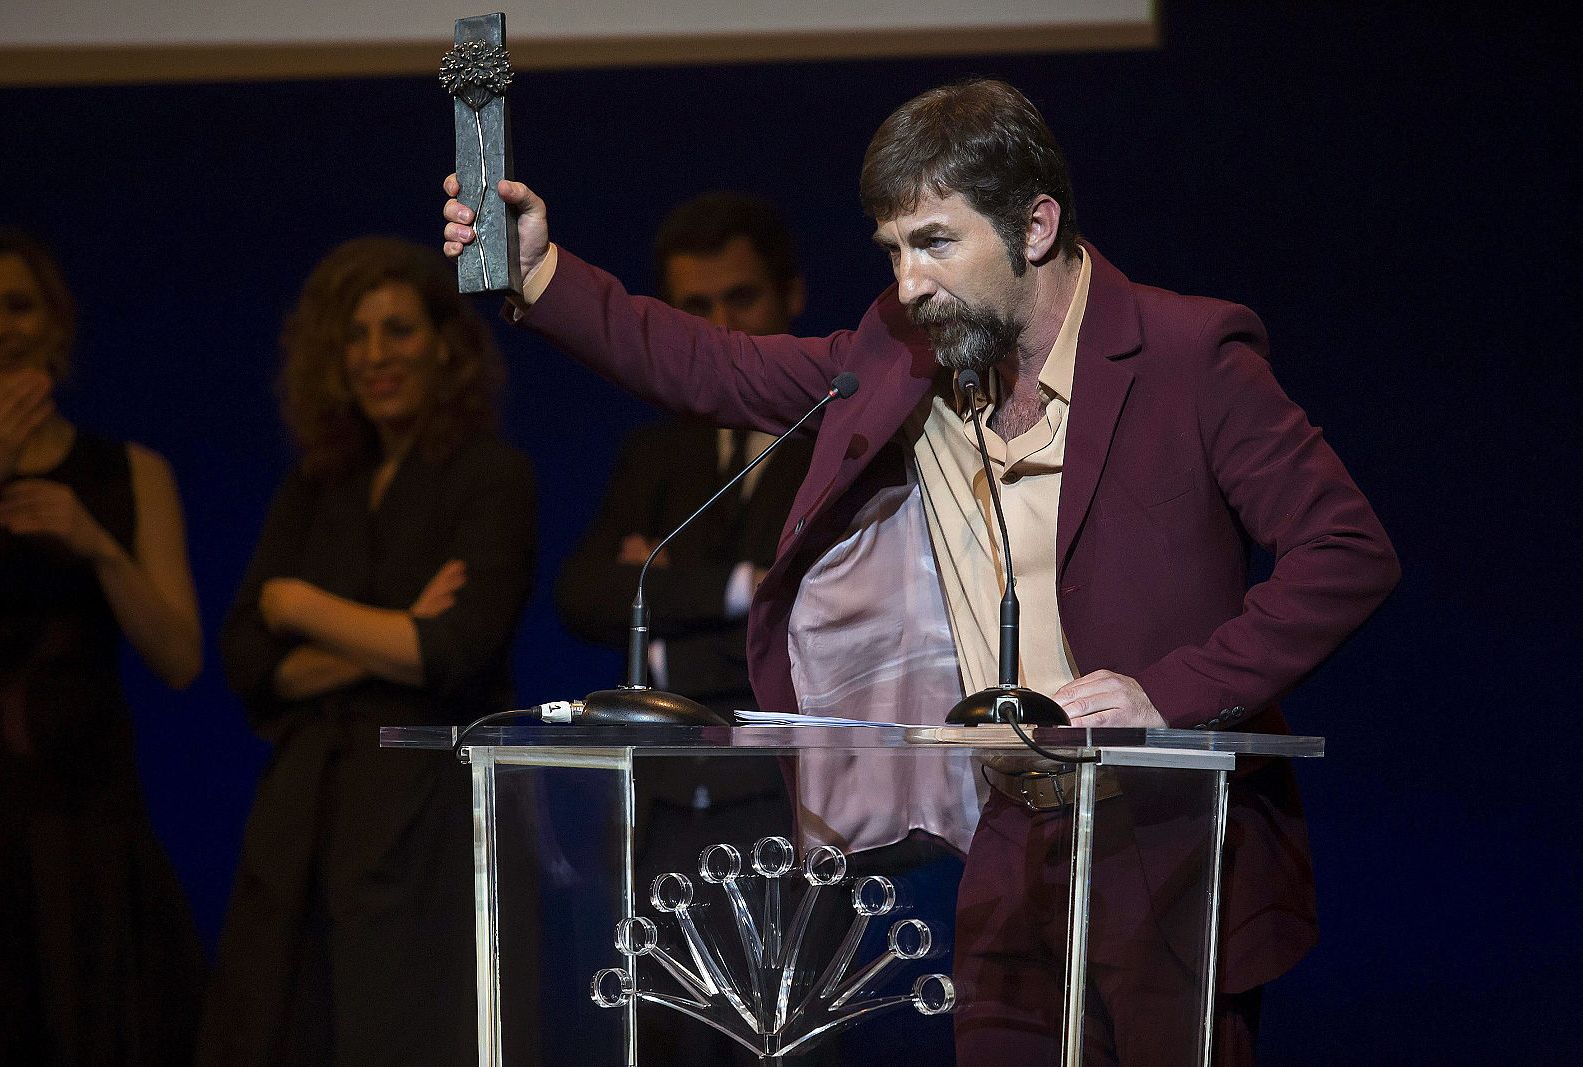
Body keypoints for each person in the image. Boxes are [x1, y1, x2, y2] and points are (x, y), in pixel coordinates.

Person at [439, 77, 1399, 1063]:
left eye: (934, 242)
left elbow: (1344, 550)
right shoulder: (904, 352)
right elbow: (712, 367)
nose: (906, 282)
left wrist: (1167, 693)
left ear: (1034, 225)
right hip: (1013, 834)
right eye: (892, 250)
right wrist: (542, 272)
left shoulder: (1189, 355)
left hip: (1168, 841)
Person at [202, 237, 539, 1066]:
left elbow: (452, 651)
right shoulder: (319, 483)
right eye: (356, 336)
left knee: (406, 1034)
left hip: (424, 822)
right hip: (305, 823)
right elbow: (248, 656)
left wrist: (304, 605)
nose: (375, 355)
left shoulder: (490, 475)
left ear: (445, 346)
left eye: (397, 331)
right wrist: (388, 631)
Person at [554, 192, 815, 1065]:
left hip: (790, 806)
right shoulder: (655, 454)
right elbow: (586, 596)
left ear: (793, 296)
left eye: (739, 299)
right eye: (693, 309)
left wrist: (672, 607)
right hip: (661, 811)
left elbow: (816, 611)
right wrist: (746, 591)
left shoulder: (842, 442)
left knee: (781, 1043)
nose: (717, 328)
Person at [0, 228, 205, 1064]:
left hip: (87, 826)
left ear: (55, 324)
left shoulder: (131, 470)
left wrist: (97, 543)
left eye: (17, 305)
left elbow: (181, 658)